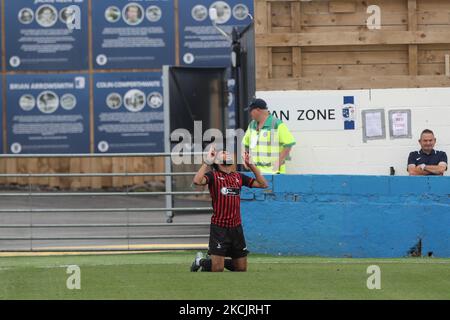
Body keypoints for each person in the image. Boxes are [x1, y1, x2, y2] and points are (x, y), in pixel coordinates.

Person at [190, 146, 268, 272]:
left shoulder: (238, 176)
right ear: (216, 161)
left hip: (236, 228)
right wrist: (206, 162)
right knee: (218, 269)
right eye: (223, 153)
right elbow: (197, 181)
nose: (227, 153)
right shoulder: (213, 176)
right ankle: (201, 261)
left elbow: (263, 184)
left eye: (228, 152)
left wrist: (251, 165)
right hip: (219, 227)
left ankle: (207, 261)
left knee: (241, 268)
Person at [242, 98, 296, 174]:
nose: (250, 113)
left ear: (258, 110)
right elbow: (245, 144)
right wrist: (245, 158)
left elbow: (288, 144)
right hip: (256, 173)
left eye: (251, 111)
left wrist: (277, 164)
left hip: (274, 174)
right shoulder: (252, 125)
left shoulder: (277, 124)